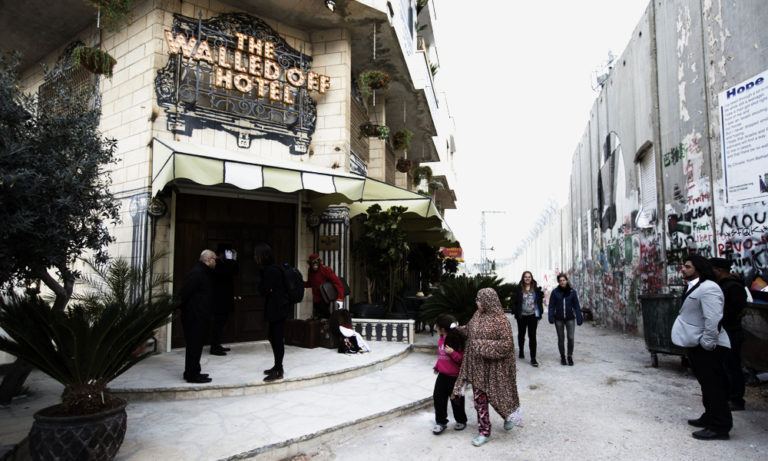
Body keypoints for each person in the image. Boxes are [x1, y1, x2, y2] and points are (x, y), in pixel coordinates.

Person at [672, 254, 732, 440]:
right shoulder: (695, 286)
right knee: (706, 385)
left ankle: (720, 426)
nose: (683, 269)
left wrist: (707, 343)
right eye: (683, 266)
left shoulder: (709, 288)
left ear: (698, 269)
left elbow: (713, 319)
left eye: (687, 266)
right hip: (698, 343)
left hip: (710, 346)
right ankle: (710, 416)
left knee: (714, 386)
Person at [452, 288, 522, 447]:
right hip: (478, 368)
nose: (477, 302)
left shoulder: (501, 320)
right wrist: (457, 328)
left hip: (496, 369)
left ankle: (507, 415)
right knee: (480, 400)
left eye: (479, 299)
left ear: (488, 300)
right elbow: (469, 330)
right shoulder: (477, 315)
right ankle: (484, 431)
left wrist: (481, 345)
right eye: (477, 299)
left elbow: (506, 345)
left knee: (501, 396)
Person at [709, 257, 748, 411]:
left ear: (719, 270)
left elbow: (736, 310)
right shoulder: (722, 285)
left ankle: (736, 400)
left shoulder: (733, 286)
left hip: (731, 331)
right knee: (724, 366)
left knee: (732, 366)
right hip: (724, 330)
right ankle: (726, 396)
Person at [179, 249, 217, 383]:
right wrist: (190, 312)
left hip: (200, 316)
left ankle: (194, 371)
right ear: (208, 260)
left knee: (196, 346)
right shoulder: (197, 273)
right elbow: (184, 294)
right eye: (214, 259)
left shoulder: (204, 272)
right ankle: (192, 375)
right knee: (193, 346)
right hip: (194, 317)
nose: (216, 262)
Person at [255, 243, 291, 382]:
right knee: (273, 337)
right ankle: (277, 366)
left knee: (277, 338)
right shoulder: (274, 268)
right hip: (278, 308)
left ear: (263, 256)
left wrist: (266, 286)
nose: (255, 258)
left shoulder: (271, 270)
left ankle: (278, 370)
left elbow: (262, 290)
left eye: (257, 255)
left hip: (277, 309)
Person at [432, 314, 467, 435]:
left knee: (456, 400)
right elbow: (440, 355)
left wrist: (452, 353)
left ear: (442, 328)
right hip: (442, 375)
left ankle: (461, 420)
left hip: (455, 377)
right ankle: (441, 422)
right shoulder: (441, 339)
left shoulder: (456, 340)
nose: (435, 328)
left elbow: (462, 360)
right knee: (438, 398)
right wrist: (437, 366)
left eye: (437, 326)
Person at [548, 273, 583, 366]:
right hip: (558, 319)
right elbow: (551, 305)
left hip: (570, 318)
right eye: (560, 281)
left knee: (571, 338)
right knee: (561, 338)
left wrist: (579, 317)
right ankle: (562, 356)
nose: (562, 282)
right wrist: (551, 316)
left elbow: (576, 305)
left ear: (567, 280)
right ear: (558, 282)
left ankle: (569, 356)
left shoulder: (572, 292)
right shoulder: (555, 292)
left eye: (564, 280)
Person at [210, 244, 239, 356]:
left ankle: (217, 344)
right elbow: (225, 273)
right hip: (219, 299)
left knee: (222, 323)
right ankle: (214, 347)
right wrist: (230, 261)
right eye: (227, 253)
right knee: (218, 323)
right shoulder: (216, 263)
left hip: (226, 298)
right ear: (221, 253)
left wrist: (234, 260)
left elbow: (235, 272)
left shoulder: (226, 263)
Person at [514, 271, 544, 367]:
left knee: (532, 336)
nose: (527, 278)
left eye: (529, 277)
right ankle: (521, 350)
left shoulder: (536, 289)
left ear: (531, 278)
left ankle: (533, 358)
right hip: (522, 316)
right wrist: (515, 312)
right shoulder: (519, 289)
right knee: (521, 334)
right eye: (525, 277)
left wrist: (540, 312)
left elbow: (539, 302)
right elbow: (514, 302)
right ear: (523, 278)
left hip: (532, 315)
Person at [304, 253, 345, 319]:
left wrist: (340, 298)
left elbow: (337, 283)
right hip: (316, 299)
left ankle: (330, 323)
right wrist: (300, 284)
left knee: (325, 316)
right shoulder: (310, 271)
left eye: (316, 263)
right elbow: (310, 283)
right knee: (317, 317)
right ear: (310, 264)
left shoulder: (325, 269)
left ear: (319, 262)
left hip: (324, 298)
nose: (315, 266)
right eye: (313, 263)